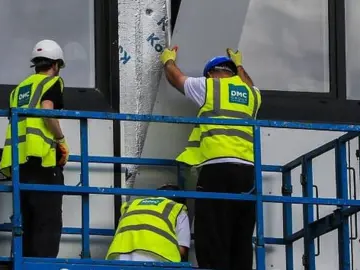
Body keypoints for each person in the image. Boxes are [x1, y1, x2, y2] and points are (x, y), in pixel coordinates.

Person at [159, 46, 261, 270]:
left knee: (212, 233)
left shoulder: (209, 87)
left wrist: (168, 60)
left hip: (217, 169)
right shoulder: (253, 94)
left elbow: (176, 79)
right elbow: (249, 84)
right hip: (248, 175)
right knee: (241, 235)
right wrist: (240, 64)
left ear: (211, 73)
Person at [0, 39, 70, 258]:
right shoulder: (52, 83)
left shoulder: (20, 89)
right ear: (56, 64)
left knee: (25, 222)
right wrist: (60, 139)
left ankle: (23, 263)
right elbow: (47, 109)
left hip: (19, 164)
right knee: (47, 222)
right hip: (42, 161)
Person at [105, 184, 191, 263]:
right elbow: (181, 249)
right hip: (157, 259)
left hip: (119, 256)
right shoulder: (177, 208)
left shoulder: (132, 204)